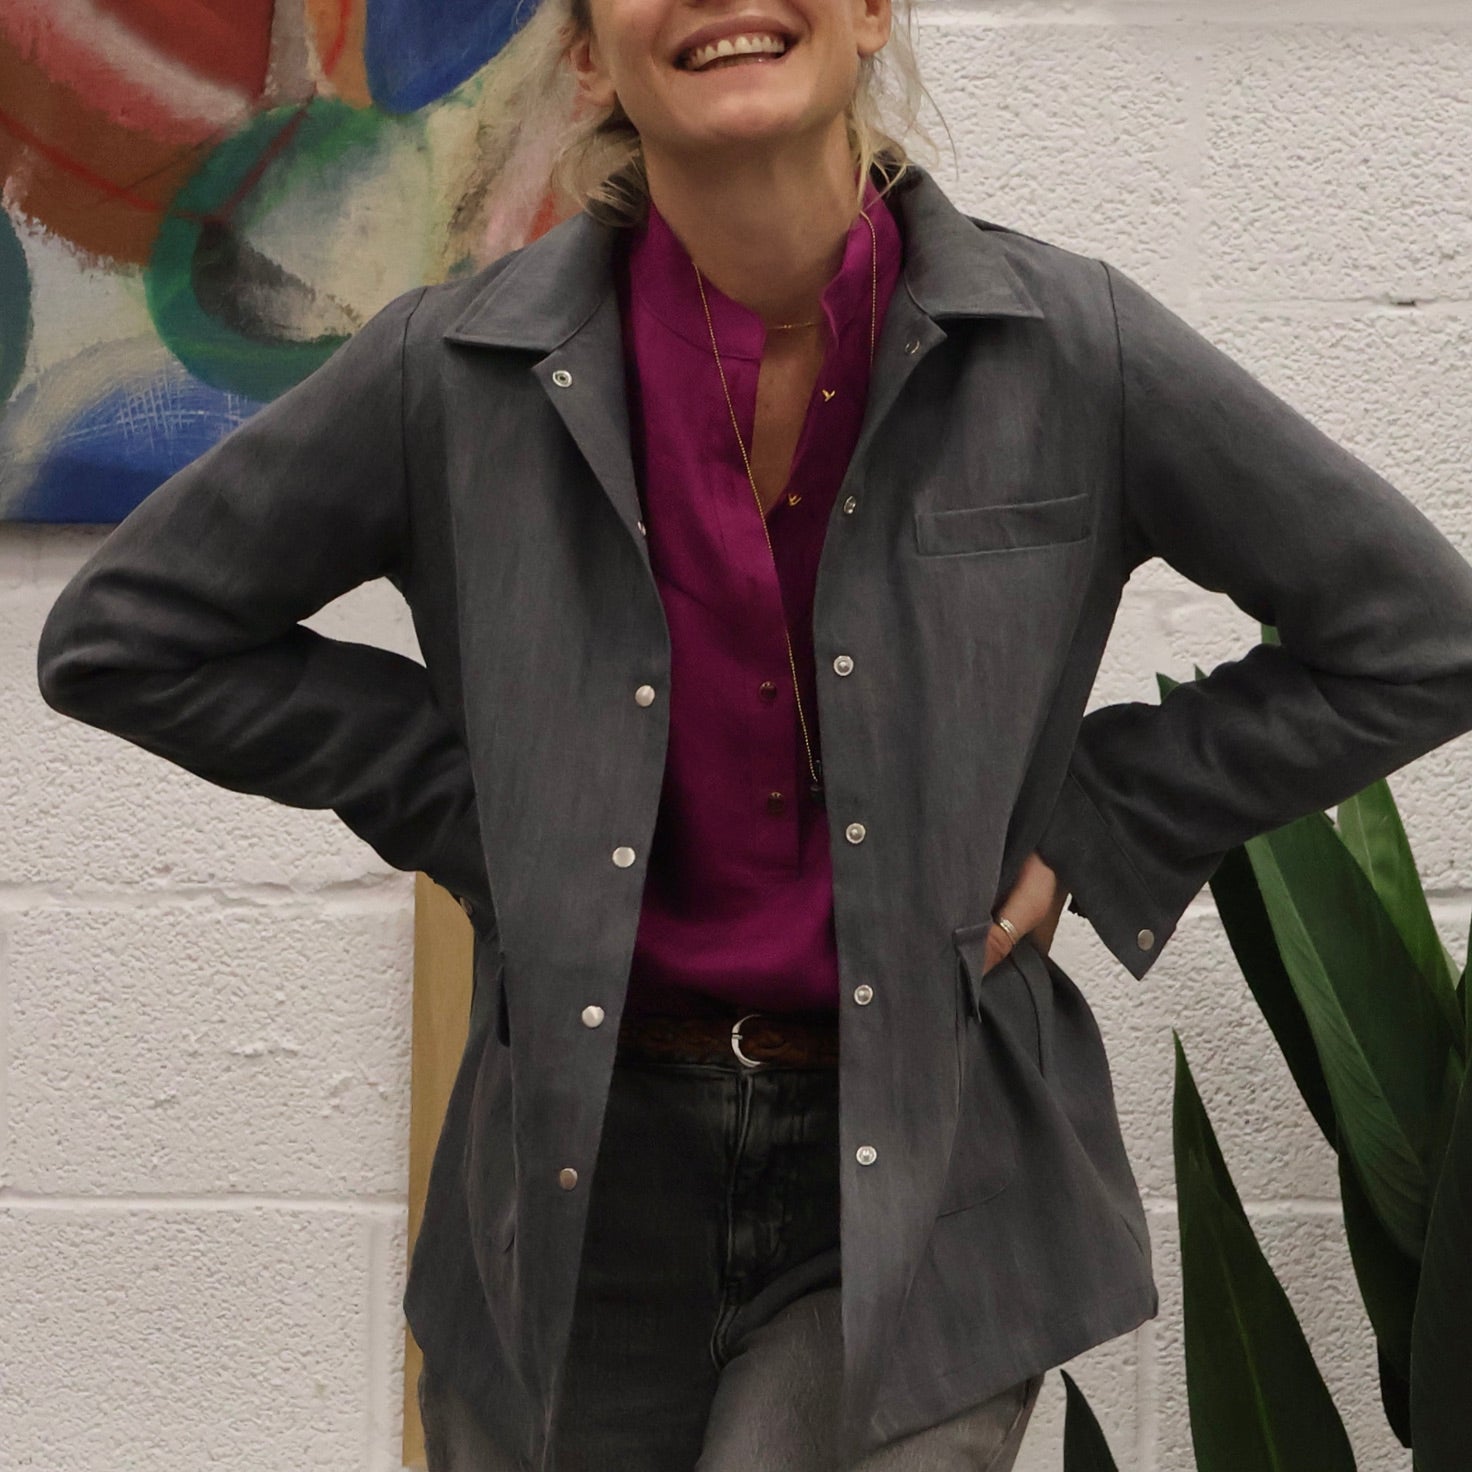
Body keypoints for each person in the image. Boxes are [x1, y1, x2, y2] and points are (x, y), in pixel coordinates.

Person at [33, 0, 1472, 1464]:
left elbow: (1418, 635)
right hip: (575, 1195)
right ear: (588, 53)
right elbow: (129, 637)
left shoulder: (1069, 349)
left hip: (921, 1184)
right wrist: (473, 806)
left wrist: (1103, 820)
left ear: (870, 14)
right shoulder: (452, 370)